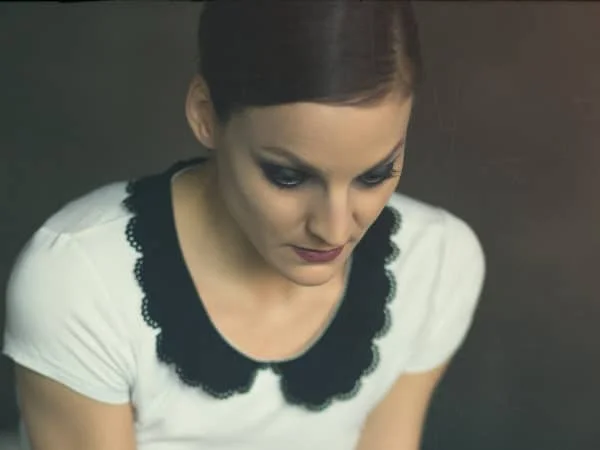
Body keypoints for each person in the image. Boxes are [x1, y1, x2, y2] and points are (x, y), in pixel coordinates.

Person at [2, 1, 486, 449]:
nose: (334, 229)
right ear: (205, 115)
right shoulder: (81, 281)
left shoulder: (434, 264)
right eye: (288, 176)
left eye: (375, 175)